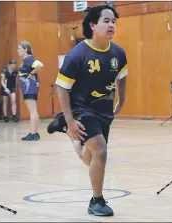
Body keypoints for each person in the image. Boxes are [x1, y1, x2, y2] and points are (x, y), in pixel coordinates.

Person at [47, 4, 128, 217]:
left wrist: (122, 100)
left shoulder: (118, 53)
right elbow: (62, 88)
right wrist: (70, 118)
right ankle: (96, 201)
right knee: (100, 150)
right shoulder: (77, 55)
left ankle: (69, 134)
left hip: (104, 110)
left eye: (113, 22)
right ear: (93, 25)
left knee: (90, 157)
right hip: (80, 107)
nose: (111, 25)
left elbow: (122, 76)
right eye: (106, 21)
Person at [17, 41, 43, 141]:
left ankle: (33, 133)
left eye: (19, 49)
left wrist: (32, 73)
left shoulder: (28, 59)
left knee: (33, 110)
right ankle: (34, 132)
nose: (18, 51)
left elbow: (40, 65)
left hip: (30, 87)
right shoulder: (25, 60)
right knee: (33, 110)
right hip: (28, 87)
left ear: (25, 49)